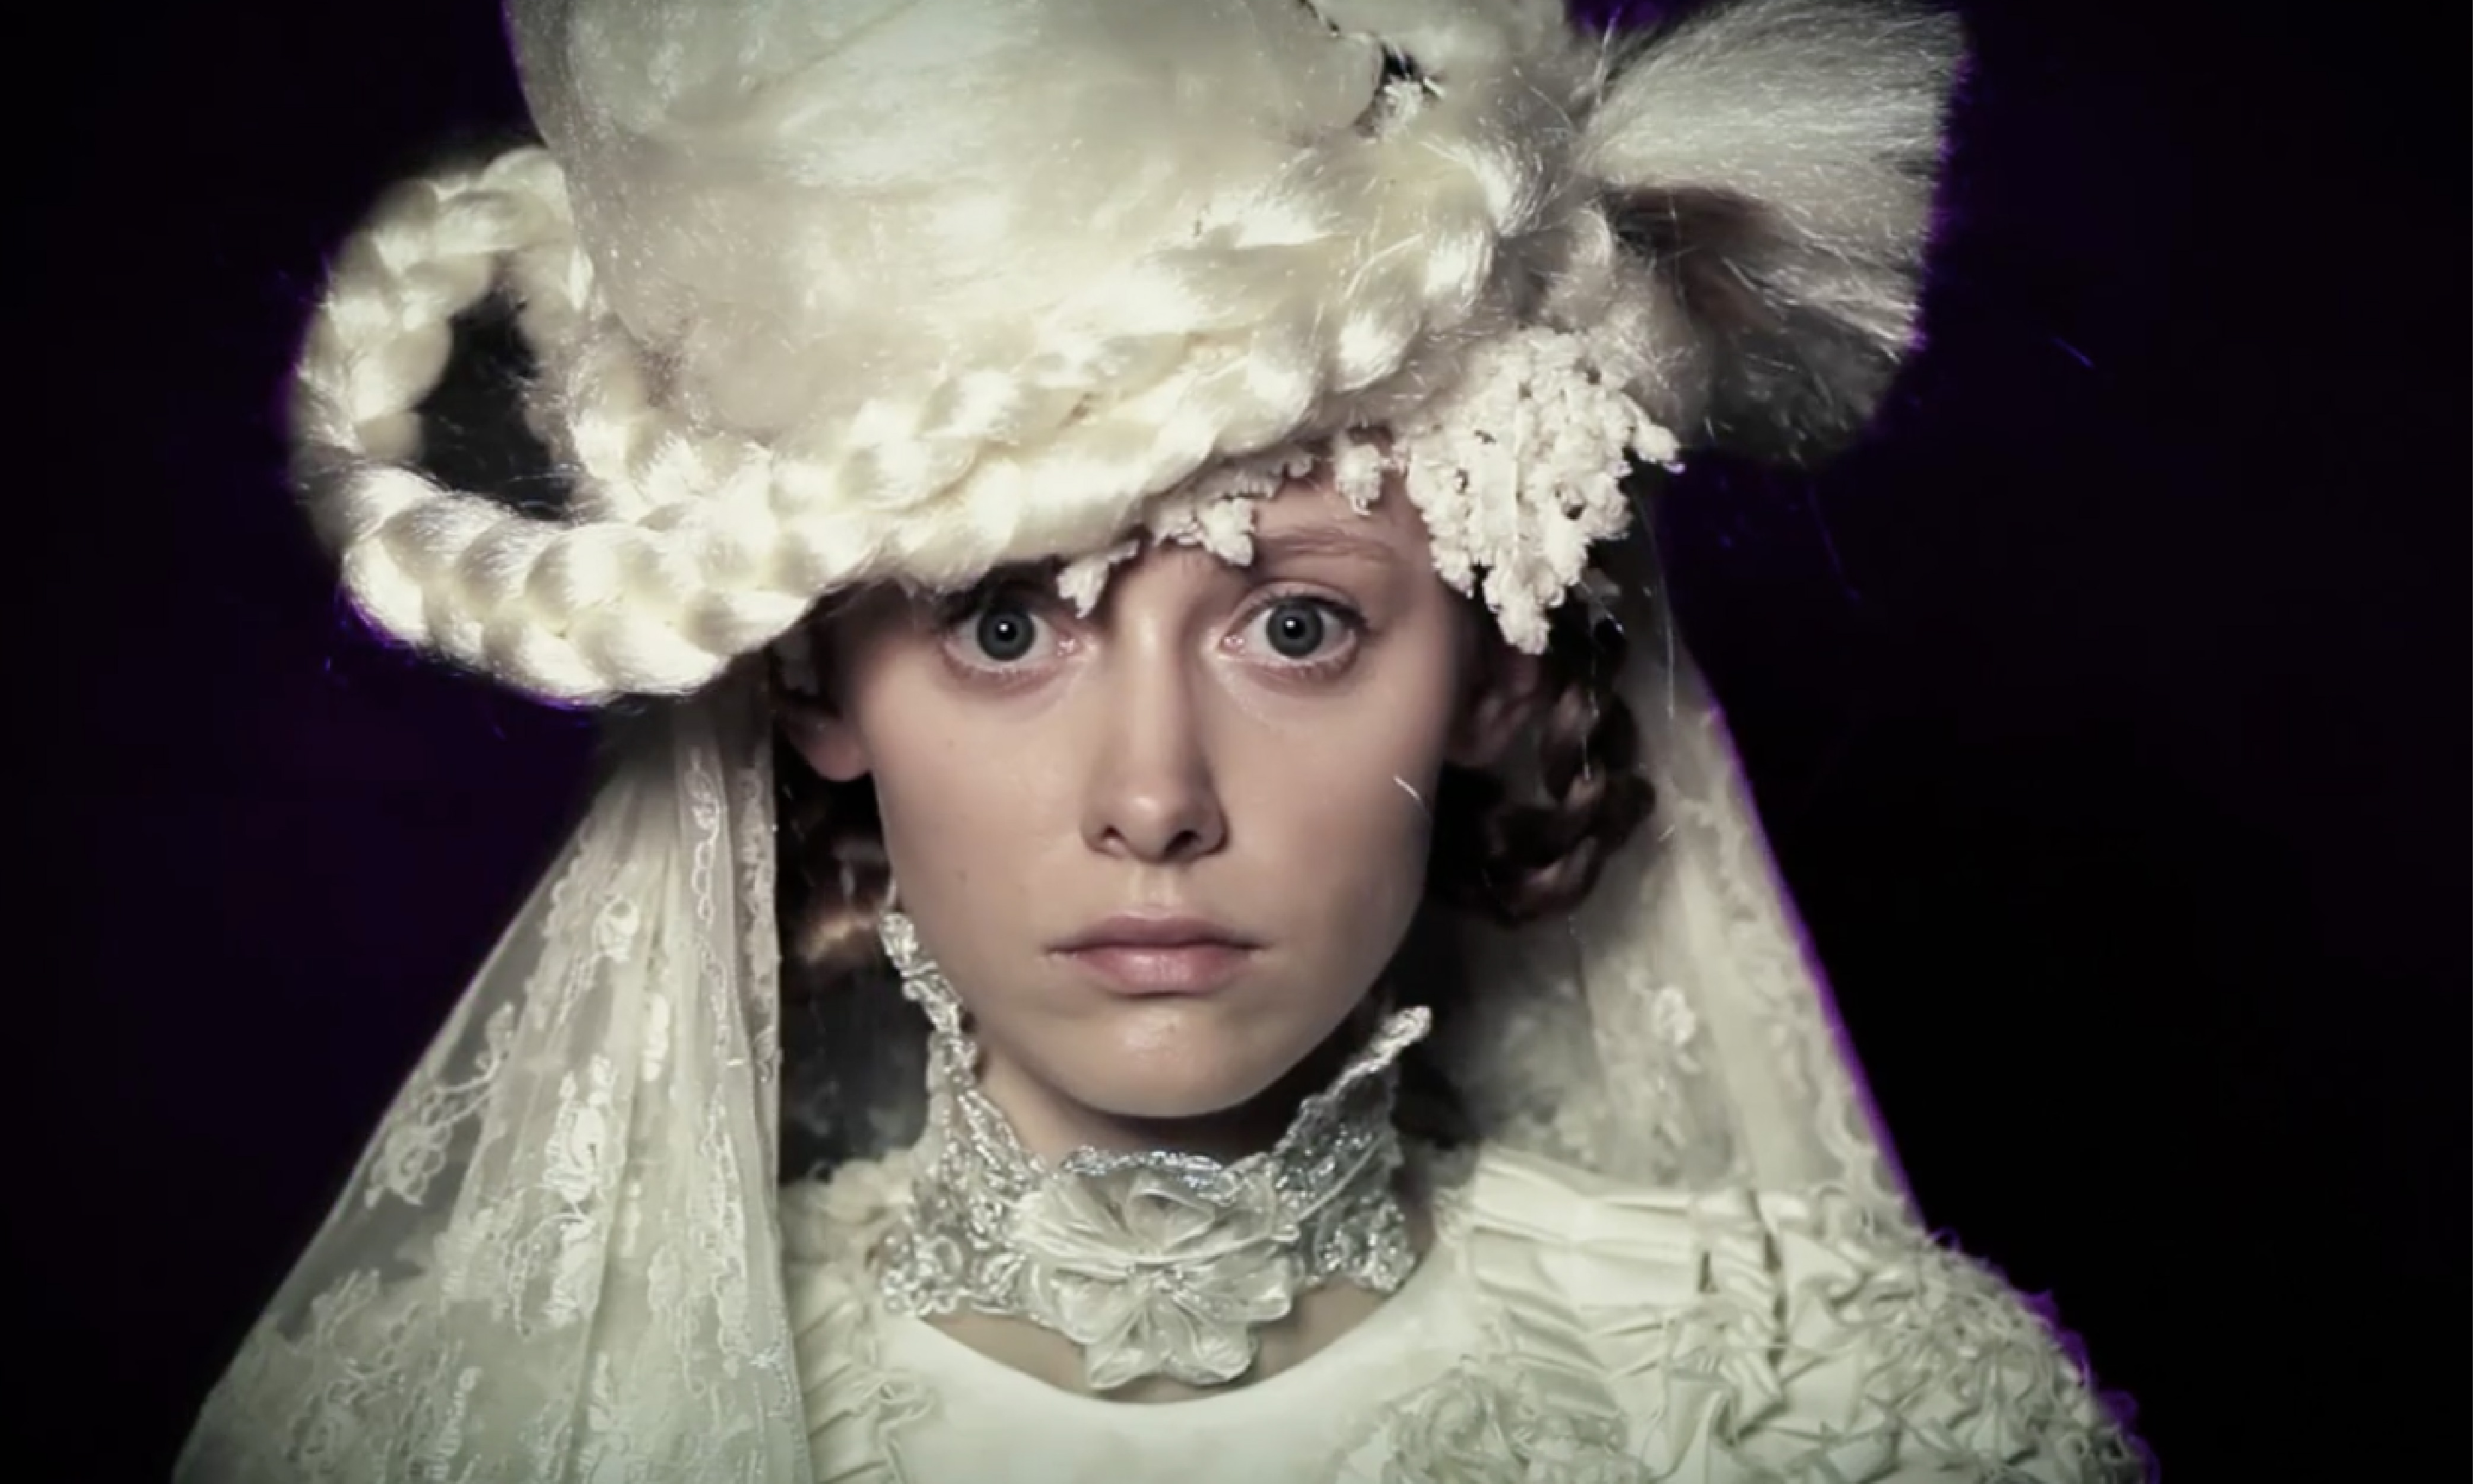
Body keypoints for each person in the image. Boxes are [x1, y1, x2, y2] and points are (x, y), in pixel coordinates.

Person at [180, 1, 2150, 1479]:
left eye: (1297, 628)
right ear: (815, 686)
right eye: (1006, 626)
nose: (1152, 800)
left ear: (1493, 666)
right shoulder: (483, 1434)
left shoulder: (1841, 1419)